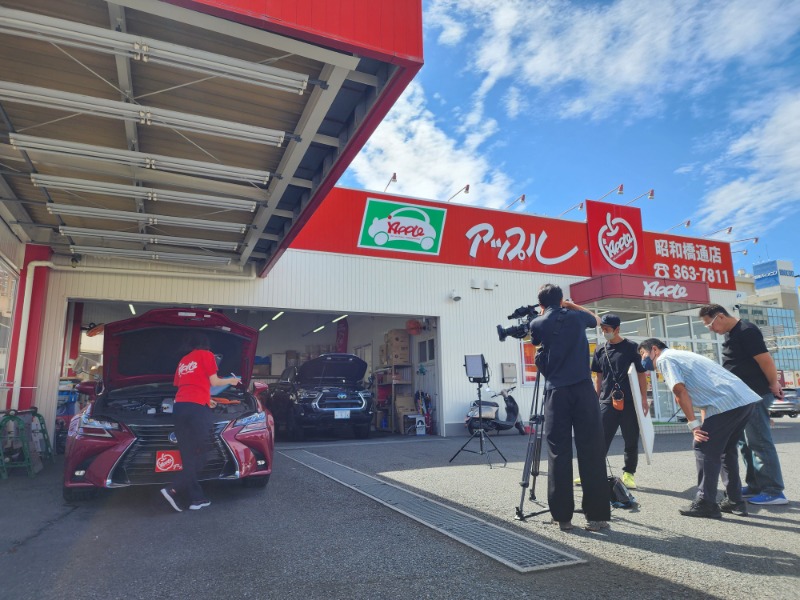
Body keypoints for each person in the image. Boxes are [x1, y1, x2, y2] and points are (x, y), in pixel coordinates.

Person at [637, 338, 759, 518]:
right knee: (726, 450)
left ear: (654, 349)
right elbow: (704, 392)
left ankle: (705, 503)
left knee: (703, 446)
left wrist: (694, 426)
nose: (642, 359)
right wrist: (702, 422)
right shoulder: (682, 355)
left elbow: (679, 391)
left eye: (643, 354)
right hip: (743, 401)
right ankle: (735, 501)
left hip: (726, 404)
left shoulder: (665, 359)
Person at [528, 283, 610, 532]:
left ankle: (563, 517)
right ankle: (597, 517)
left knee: (558, 452)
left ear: (541, 304)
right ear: (561, 299)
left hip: (557, 393)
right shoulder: (576, 317)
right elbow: (597, 320)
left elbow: (537, 342)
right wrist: (570, 305)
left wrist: (546, 313)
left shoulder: (537, 322)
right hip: (583, 390)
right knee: (592, 450)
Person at [699, 304, 788, 505]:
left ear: (720, 316)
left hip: (755, 394)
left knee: (759, 441)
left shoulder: (747, 331)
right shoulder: (731, 334)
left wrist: (774, 384)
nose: (711, 329)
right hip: (740, 398)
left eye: (709, 325)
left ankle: (774, 491)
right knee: (745, 444)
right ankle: (756, 485)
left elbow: (766, 361)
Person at [160, 333, 241, 512]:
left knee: (188, 455)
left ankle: (196, 499)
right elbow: (214, 382)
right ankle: (173, 488)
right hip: (196, 409)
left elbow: (186, 385)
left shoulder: (183, 361)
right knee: (204, 452)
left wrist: (206, 399)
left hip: (179, 407)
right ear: (206, 344)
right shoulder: (207, 355)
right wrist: (232, 380)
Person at [590, 314, 648, 490]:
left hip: (629, 401)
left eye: (607, 329)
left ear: (617, 329)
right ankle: (593, 472)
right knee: (599, 439)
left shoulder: (632, 348)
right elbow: (598, 376)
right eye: (602, 329)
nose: (604, 332)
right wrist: (596, 398)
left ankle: (629, 474)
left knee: (630, 438)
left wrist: (644, 398)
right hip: (607, 401)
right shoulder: (600, 349)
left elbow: (641, 374)